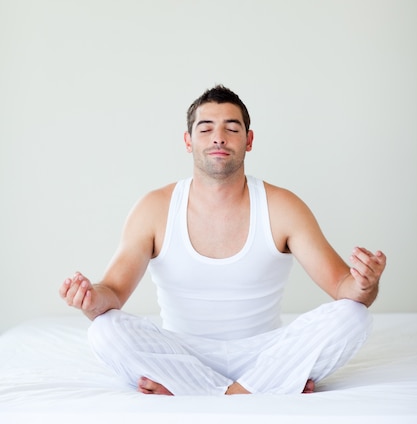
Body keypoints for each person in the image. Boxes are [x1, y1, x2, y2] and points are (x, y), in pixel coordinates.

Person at [59, 84, 386, 396]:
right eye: (205, 129)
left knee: (354, 316)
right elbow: (113, 293)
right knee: (104, 330)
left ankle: (202, 390)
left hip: (265, 352)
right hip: (182, 353)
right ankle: (262, 388)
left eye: (232, 128)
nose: (218, 137)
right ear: (188, 141)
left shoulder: (283, 206)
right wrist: (91, 299)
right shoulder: (154, 207)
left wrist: (364, 284)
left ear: (249, 140)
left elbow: (345, 289)